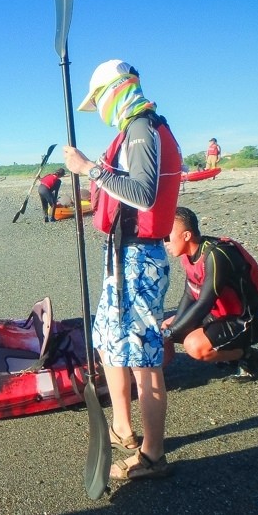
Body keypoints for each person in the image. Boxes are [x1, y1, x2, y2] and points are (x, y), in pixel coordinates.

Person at [63, 59, 182, 481]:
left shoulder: (141, 130)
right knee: (110, 343)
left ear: (116, 91)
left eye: (99, 100)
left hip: (139, 259)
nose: (100, 111)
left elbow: (144, 195)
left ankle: (153, 454)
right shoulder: (135, 130)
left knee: (143, 356)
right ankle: (122, 426)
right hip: (122, 255)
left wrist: (88, 169)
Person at [161, 207, 258, 378]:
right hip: (220, 315)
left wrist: (172, 334)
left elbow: (205, 302)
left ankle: (247, 355)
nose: (164, 242)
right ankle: (156, 374)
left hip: (250, 320)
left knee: (194, 346)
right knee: (166, 325)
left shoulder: (216, 255)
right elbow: (189, 295)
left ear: (186, 235)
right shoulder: (188, 255)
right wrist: (172, 330)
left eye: (167, 237)